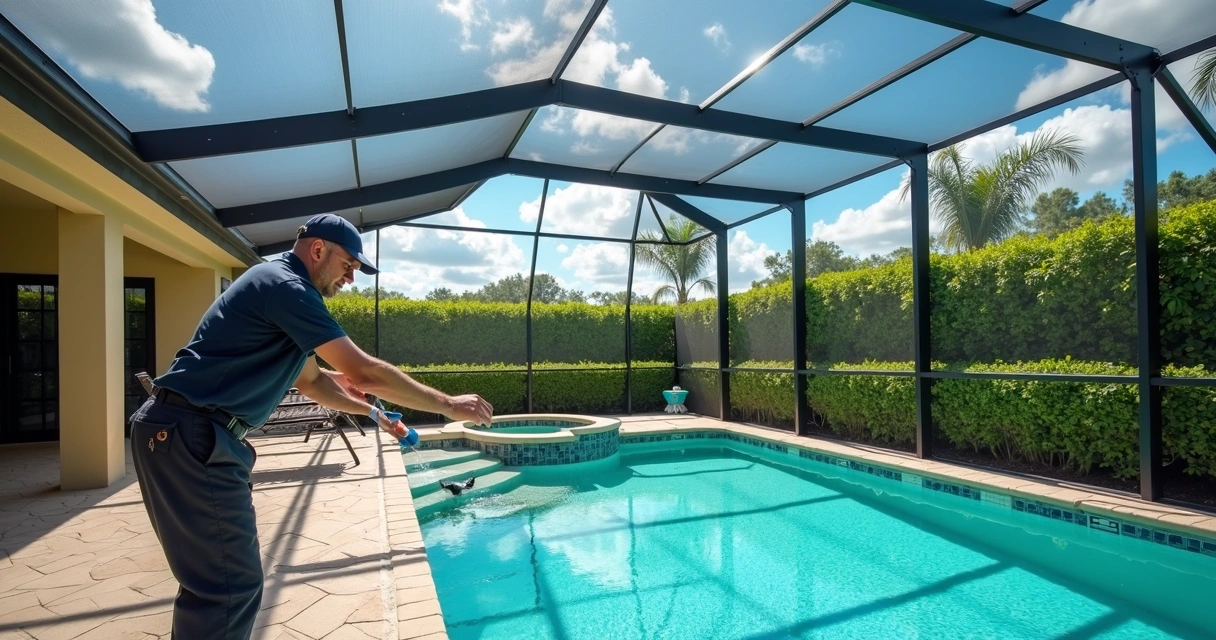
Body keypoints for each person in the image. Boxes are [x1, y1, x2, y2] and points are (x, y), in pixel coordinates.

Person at [128, 213, 493, 640]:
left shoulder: (277, 288)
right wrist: (448, 405)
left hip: (186, 433)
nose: (351, 279)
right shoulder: (288, 288)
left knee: (218, 585)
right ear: (318, 250)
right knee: (227, 589)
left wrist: (375, 415)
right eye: (348, 266)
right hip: (191, 435)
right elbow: (363, 373)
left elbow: (315, 382)